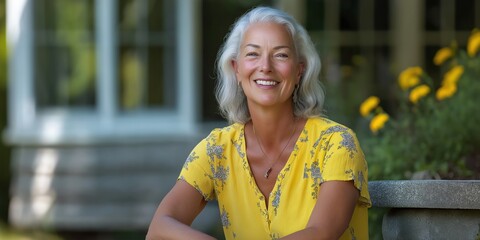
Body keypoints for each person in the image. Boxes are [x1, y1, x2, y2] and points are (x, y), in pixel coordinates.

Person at [146, 6, 371, 240]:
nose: (265, 66)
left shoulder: (336, 145)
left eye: (281, 54)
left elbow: (321, 233)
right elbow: (159, 228)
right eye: (253, 54)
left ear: (299, 71)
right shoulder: (218, 149)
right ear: (236, 69)